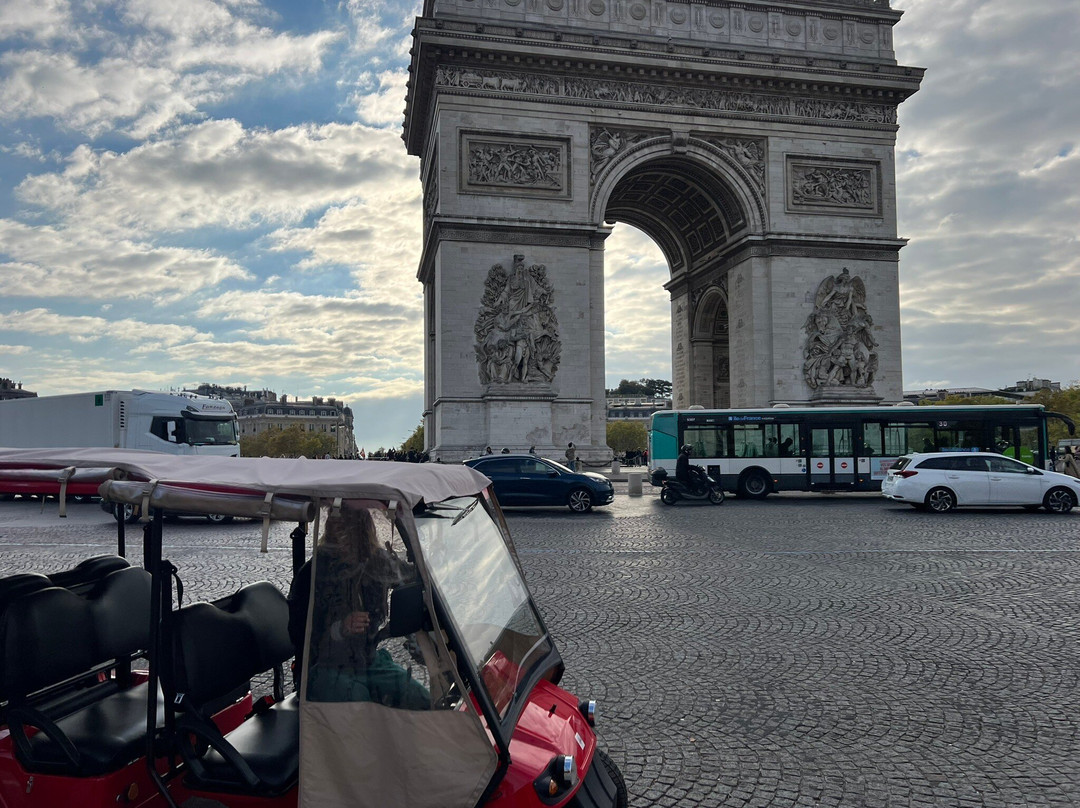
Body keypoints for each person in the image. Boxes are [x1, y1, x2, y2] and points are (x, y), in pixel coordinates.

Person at [288, 505, 429, 709]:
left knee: (419, 698)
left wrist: (428, 575)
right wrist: (340, 628)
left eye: (346, 524)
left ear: (362, 529)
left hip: (367, 661)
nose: (338, 529)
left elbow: (408, 577)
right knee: (362, 706)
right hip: (324, 668)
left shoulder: (375, 560)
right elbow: (298, 632)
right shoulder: (313, 572)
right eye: (334, 523)